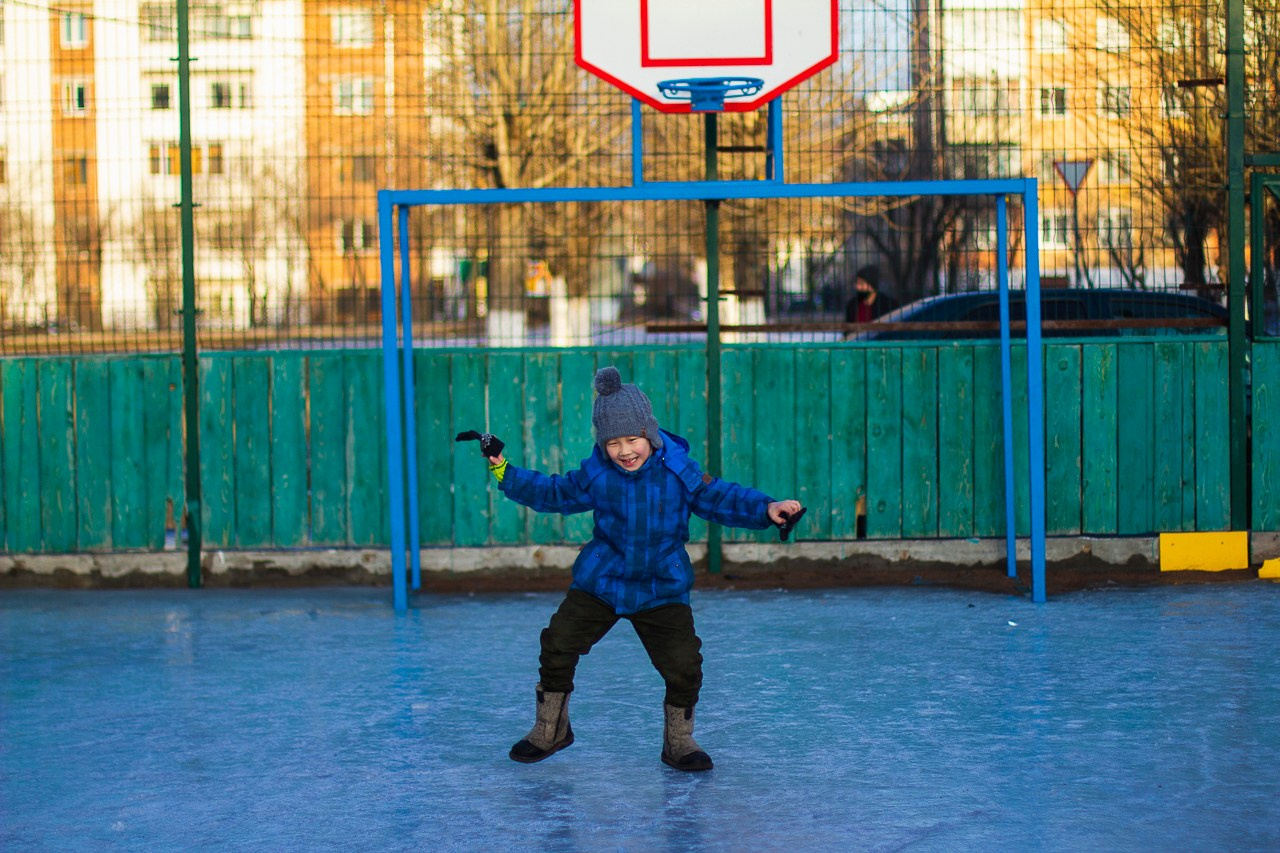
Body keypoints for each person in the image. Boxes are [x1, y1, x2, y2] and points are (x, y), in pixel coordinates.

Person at [470, 366, 802, 772]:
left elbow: (720, 497)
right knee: (557, 643)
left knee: (684, 664)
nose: (625, 451)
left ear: (650, 433)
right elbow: (553, 492)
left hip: (660, 585)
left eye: (633, 439)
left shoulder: (679, 472)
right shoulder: (597, 474)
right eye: (614, 443)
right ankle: (550, 728)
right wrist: (504, 470)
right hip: (603, 580)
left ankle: (679, 741)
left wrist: (767, 509)